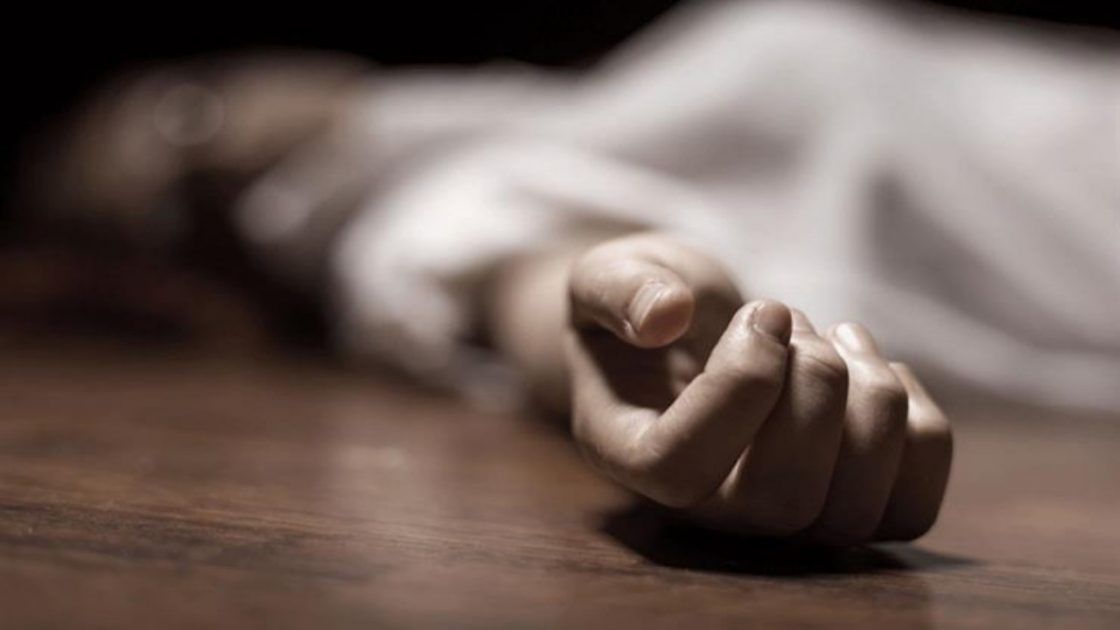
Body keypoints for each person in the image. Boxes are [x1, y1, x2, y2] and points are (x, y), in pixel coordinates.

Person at [14, 0, 1119, 544]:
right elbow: (516, 255)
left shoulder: (554, 103)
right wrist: (627, 334)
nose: (233, 110)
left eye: (199, 85)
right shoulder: (397, 206)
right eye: (182, 147)